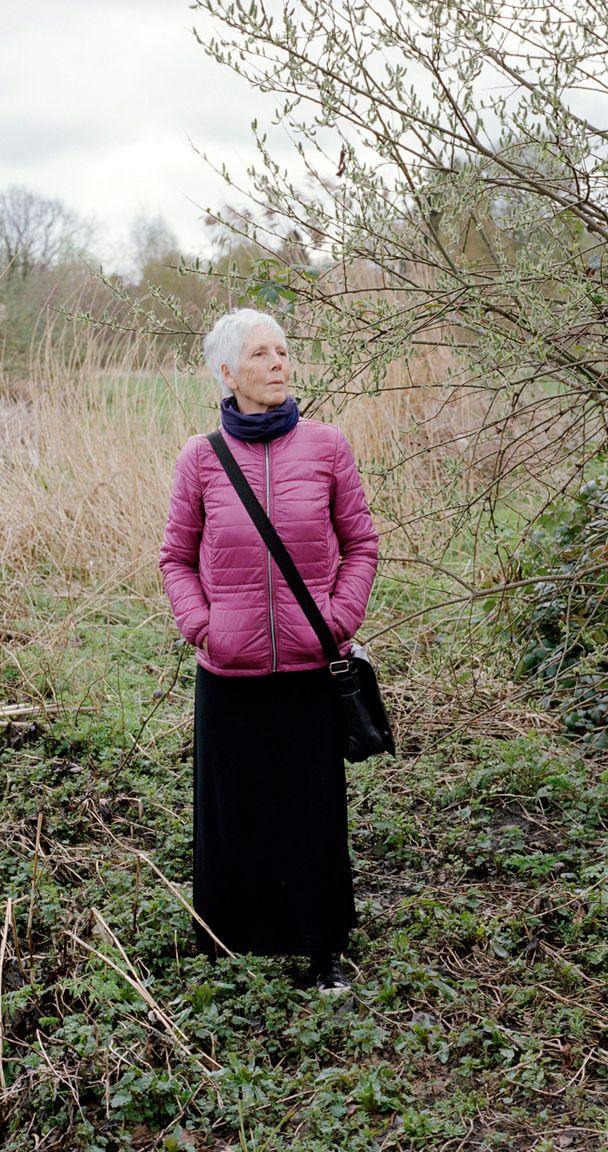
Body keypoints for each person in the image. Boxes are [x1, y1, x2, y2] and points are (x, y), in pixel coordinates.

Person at [157, 307, 380, 992]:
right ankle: (230, 946)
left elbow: (362, 545)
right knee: (233, 811)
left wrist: (337, 621)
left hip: (312, 670)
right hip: (230, 672)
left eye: (283, 351)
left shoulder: (327, 448)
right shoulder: (200, 458)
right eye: (260, 354)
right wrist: (204, 628)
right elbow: (175, 558)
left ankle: (321, 950)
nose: (278, 363)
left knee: (312, 811)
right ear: (227, 372)